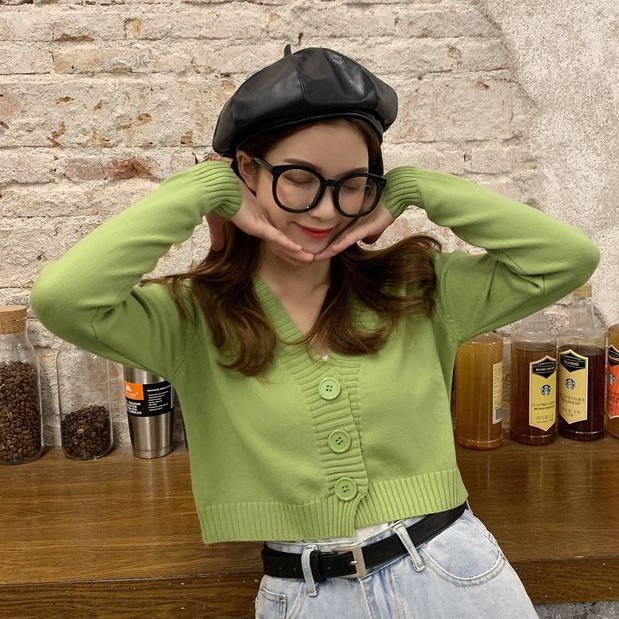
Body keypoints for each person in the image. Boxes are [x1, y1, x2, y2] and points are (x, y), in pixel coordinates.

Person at [31, 47, 599, 618]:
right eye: (299, 179)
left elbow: (565, 260)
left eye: (352, 184)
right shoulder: (191, 317)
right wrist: (202, 191)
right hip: (304, 594)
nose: (327, 210)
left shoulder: (418, 287)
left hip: (451, 570)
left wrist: (415, 188)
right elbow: (63, 300)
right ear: (247, 171)